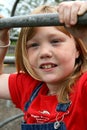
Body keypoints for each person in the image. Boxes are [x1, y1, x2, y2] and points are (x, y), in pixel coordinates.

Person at [0, 1, 87, 130]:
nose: (44, 53)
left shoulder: (83, 88)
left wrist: (85, 34)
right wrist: (2, 40)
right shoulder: (29, 86)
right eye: (34, 45)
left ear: (78, 49)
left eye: (55, 41)